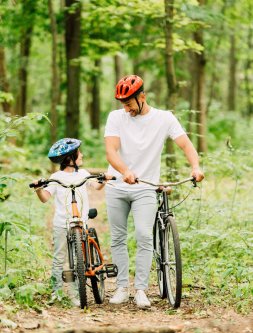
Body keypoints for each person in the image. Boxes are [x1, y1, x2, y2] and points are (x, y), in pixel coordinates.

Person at [104, 75, 204, 309]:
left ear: (142, 97)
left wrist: (196, 167)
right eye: (123, 104)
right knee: (118, 238)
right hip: (117, 186)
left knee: (144, 235)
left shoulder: (164, 118)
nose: (126, 109)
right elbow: (111, 151)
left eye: (129, 103)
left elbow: (186, 145)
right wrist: (124, 170)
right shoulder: (115, 117)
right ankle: (121, 287)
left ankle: (140, 289)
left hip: (145, 188)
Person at [33, 138, 109, 306]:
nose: (82, 155)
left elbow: (96, 186)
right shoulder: (56, 177)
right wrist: (39, 188)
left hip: (81, 222)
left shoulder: (83, 174)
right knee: (60, 257)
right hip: (62, 223)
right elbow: (45, 198)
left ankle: (76, 294)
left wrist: (103, 180)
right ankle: (57, 291)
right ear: (70, 158)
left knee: (77, 258)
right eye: (78, 153)